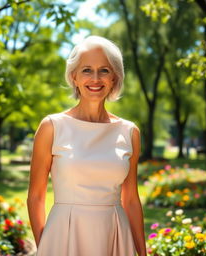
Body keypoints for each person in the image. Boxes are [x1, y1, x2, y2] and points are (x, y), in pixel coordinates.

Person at [27, 35, 147, 256]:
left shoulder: (129, 132)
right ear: (73, 77)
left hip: (115, 236)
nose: (95, 78)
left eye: (104, 70)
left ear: (115, 77)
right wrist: (47, 246)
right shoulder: (52, 127)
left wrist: (142, 253)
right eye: (86, 70)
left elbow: (130, 199)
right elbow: (36, 197)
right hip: (64, 236)